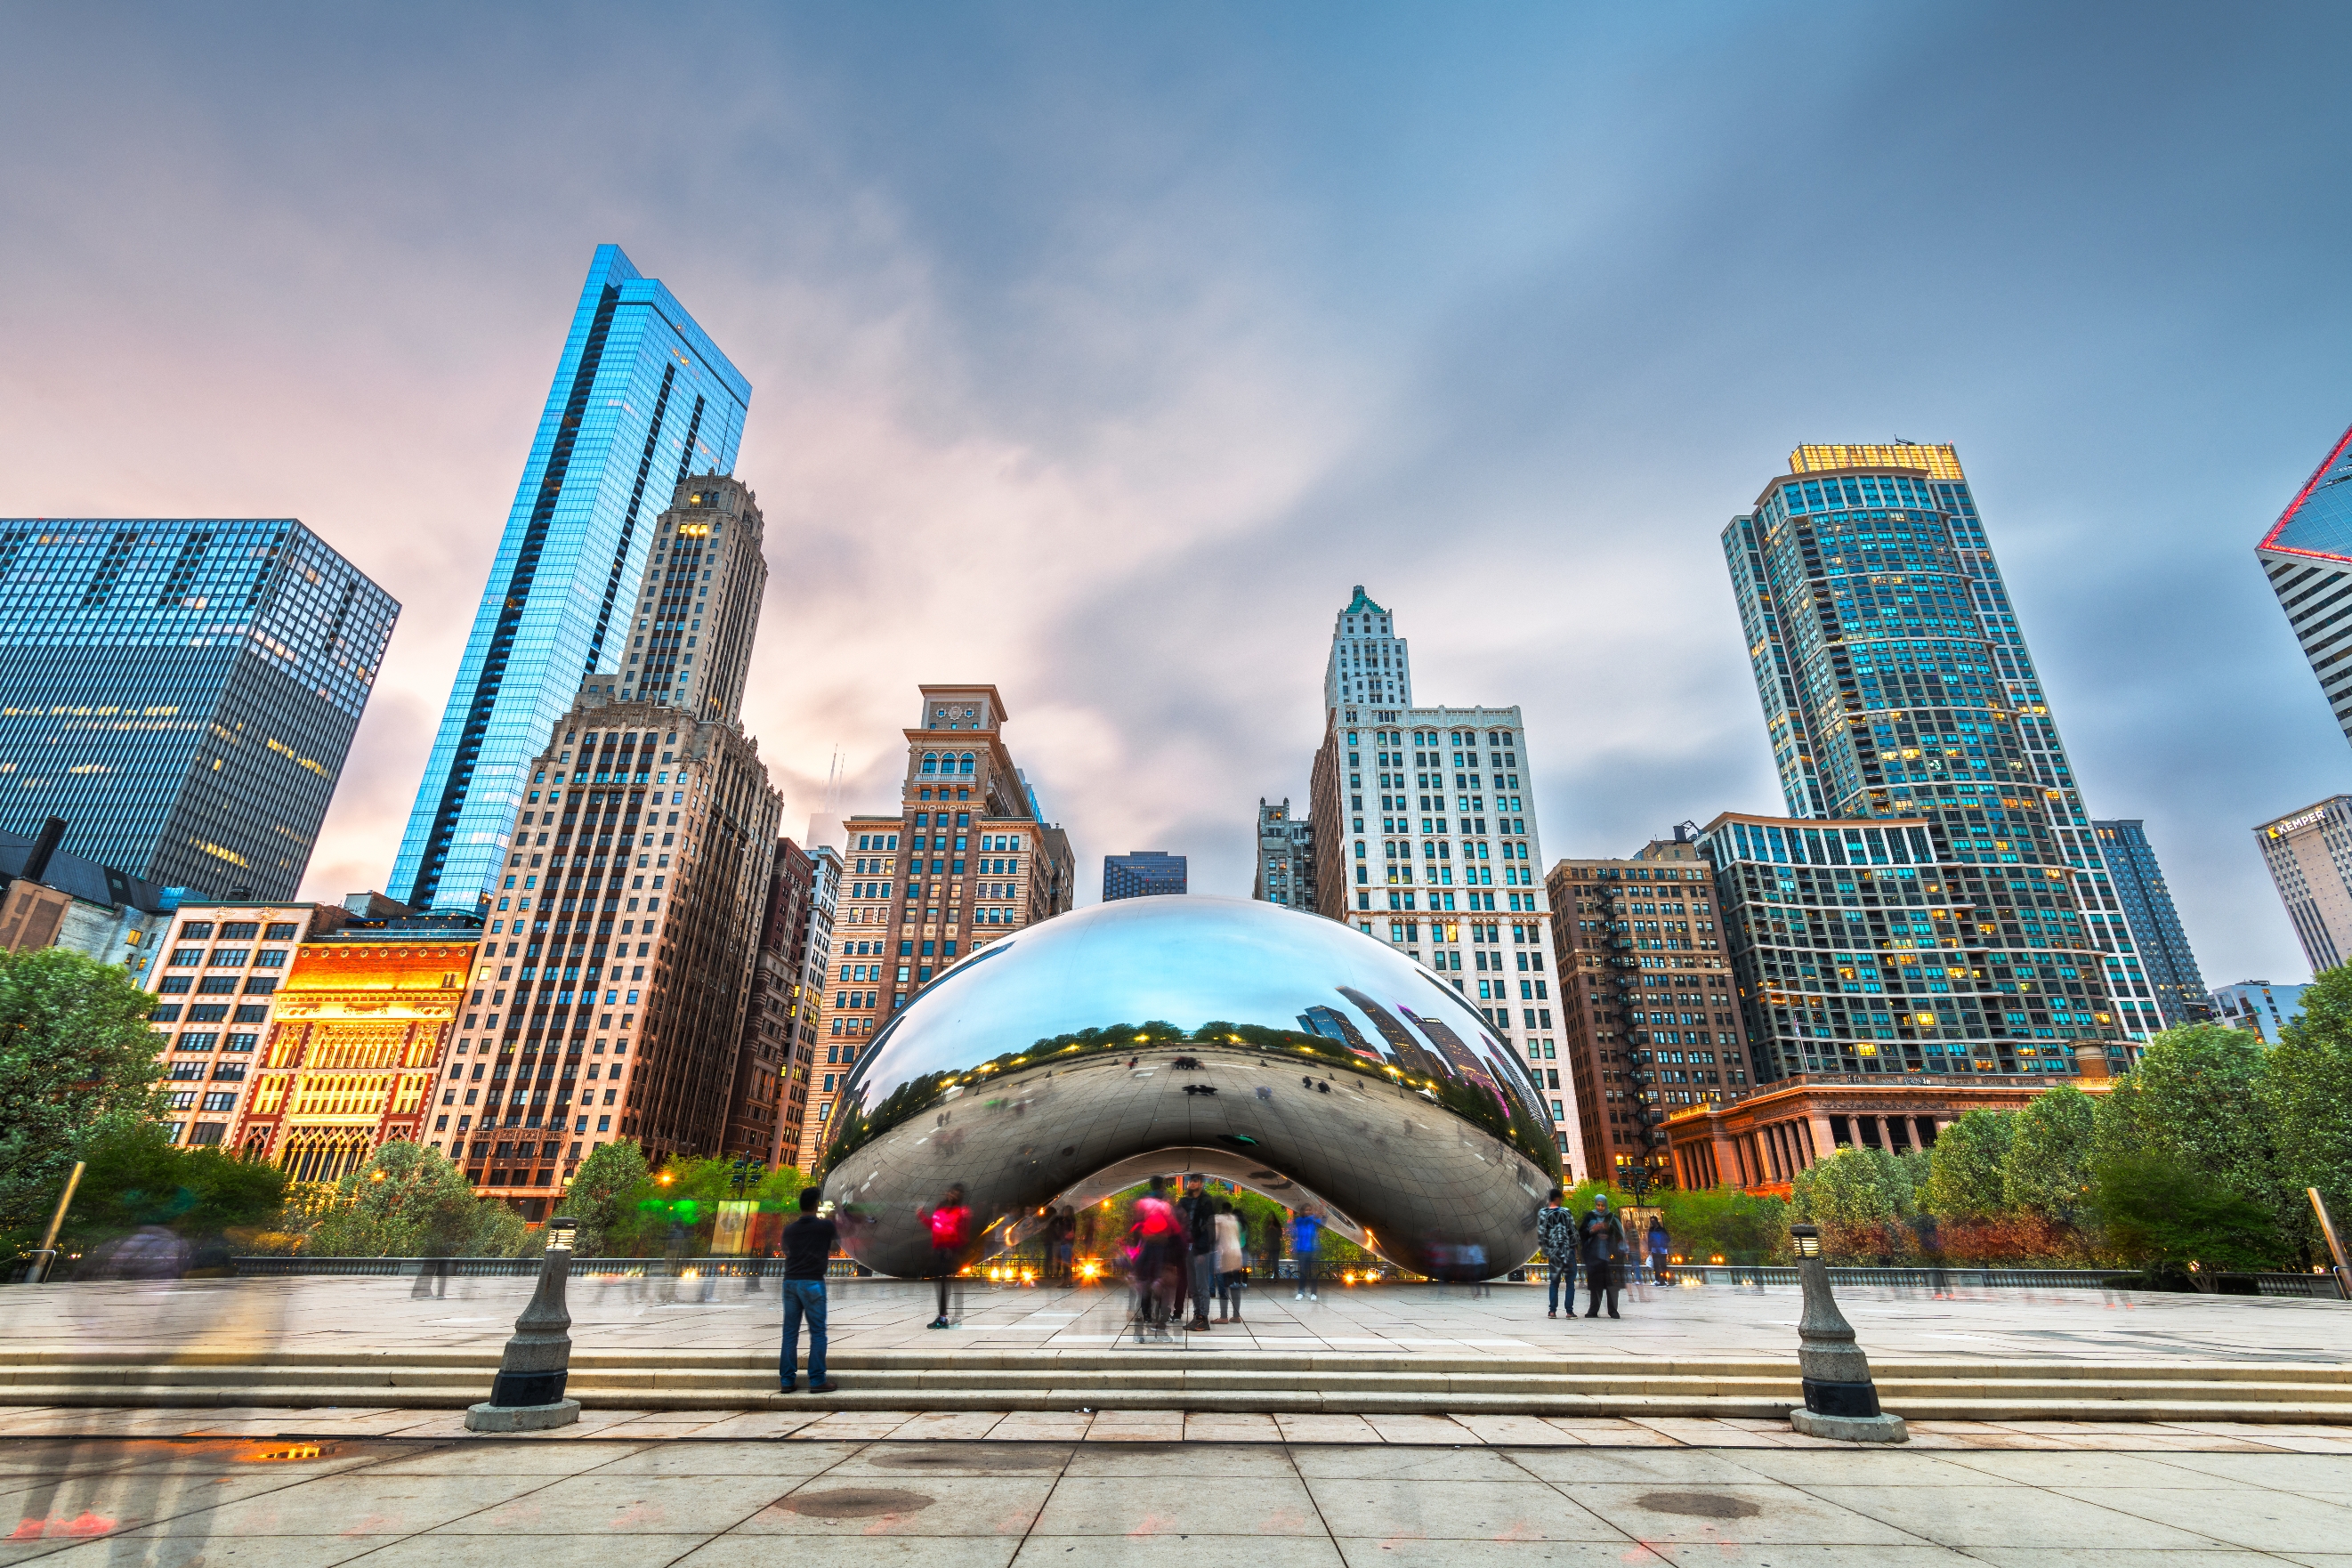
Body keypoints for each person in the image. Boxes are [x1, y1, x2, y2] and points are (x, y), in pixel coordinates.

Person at [780, 1187, 839, 1393]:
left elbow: (786, 1250)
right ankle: (816, 1380)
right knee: (818, 1333)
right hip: (813, 1282)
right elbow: (834, 1248)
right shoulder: (825, 1226)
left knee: (789, 1333)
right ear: (816, 1205)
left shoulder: (789, 1229)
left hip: (790, 1282)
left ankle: (787, 1381)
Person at [1130, 1176, 1181, 1338]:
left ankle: (1145, 1313)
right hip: (1161, 1245)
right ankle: (1158, 1316)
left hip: (1147, 1243)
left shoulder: (1144, 1202)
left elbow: (1136, 1222)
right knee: (1159, 1280)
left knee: (1145, 1278)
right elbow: (1174, 1228)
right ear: (1162, 1187)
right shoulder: (1166, 1205)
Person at [925, 1183, 971, 1330]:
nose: (952, 1195)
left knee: (949, 1284)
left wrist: (954, 1248)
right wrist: (921, 1216)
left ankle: (949, 1318)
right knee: (942, 1284)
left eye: (956, 1194)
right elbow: (934, 1226)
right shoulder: (940, 1207)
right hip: (939, 1250)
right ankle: (944, 1317)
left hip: (951, 1251)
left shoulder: (960, 1211)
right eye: (951, 1192)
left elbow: (961, 1233)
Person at [1177, 1174, 1217, 1330]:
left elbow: (1208, 1227)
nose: (1191, 1184)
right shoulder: (1185, 1201)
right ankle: (1196, 1315)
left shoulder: (1206, 1202)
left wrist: (1202, 1249)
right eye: (1190, 1181)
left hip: (1200, 1248)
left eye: (1195, 1181)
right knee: (1192, 1286)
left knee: (1202, 1285)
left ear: (1201, 1183)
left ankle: (1203, 1318)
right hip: (1188, 1247)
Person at [1580, 1192, 1626, 1320]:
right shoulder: (1590, 1216)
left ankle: (1613, 1311)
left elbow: (1620, 1235)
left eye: (1602, 1205)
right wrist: (1592, 1231)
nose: (1600, 1208)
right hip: (1594, 1257)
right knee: (1595, 1285)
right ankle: (1593, 1310)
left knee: (1611, 1286)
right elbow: (1581, 1234)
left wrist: (1608, 1234)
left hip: (1609, 1259)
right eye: (1598, 1205)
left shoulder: (1611, 1217)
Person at [1534, 1188, 1578, 1319]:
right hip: (1567, 1251)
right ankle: (1569, 1312)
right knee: (1570, 1282)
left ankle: (1552, 1311)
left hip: (1554, 1253)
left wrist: (1545, 1249)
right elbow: (1573, 1231)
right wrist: (1575, 1247)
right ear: (1558, 1199)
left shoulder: (1542, 1213)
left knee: (1554, 1282)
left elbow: (1541, 1234)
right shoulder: (1566, 1212)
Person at [1213, 1200, 1245, 1322]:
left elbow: (1215, 1236)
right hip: (1237, 1253)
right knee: (1235, 1284)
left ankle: (1223, 1316)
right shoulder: (1234, 1219)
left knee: (1223, 1285)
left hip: (1225, 1254)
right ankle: (1236, 1316)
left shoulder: (1218, 1219)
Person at [1290, 1208, 1324, 1301]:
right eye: (1306, 1210)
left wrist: (1324, 1215)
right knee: (1303, 1273)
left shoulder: (1314, 1222)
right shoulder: (1300, 1221)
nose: (1308, 1211)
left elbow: (1322, 1224)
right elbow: (1306, 1220)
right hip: (1302, 1251)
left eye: (1310, 1210)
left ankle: (1313, 1293)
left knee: (1313, 1273)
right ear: (1302, 1211)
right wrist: (1315, 1215)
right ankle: (1301, 1293)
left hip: (1312, 1251)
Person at [1647, 1215, 1670, 1283]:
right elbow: (1649, 1240)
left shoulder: (1662, 1230)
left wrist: (1663, 1244)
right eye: (1651, 1221)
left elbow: (1668, 1239)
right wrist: (1649, 1249)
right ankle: (1657, 1280)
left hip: (1662, 1249)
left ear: (1656, 1221)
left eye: (1653, 1221)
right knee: (1656, 1265)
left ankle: (1665, 1280)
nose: (1652, 1222)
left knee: (1663, 1265)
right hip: (1654, 1249)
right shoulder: (1651, 1230)